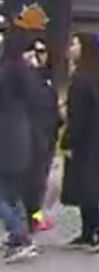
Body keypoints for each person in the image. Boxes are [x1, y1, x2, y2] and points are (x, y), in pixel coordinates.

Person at [61, 32, 99, 253]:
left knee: (85, 187)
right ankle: (87, 232)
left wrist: (69, 141)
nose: (70, 48)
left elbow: (78, 116)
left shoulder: (82, 79)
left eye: (74, 44)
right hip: (98, 139)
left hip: (84, 141)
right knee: (86, 186)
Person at [0, 33, 41, 263]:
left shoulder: (5, 73)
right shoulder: (25, 73)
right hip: (21, 136)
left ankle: (19, 235)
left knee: (4, 193)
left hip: (5, 139)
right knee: (12, 194)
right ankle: (19, 234)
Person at [22, 38, 60, 233]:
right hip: (29, 136)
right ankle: (29, 218)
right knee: (31, 181)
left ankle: (35, 215)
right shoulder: (25, 77)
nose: (39, 56)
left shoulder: (48, 77)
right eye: (34, 51)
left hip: (48, 134)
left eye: (42, 51)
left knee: (40, 180)